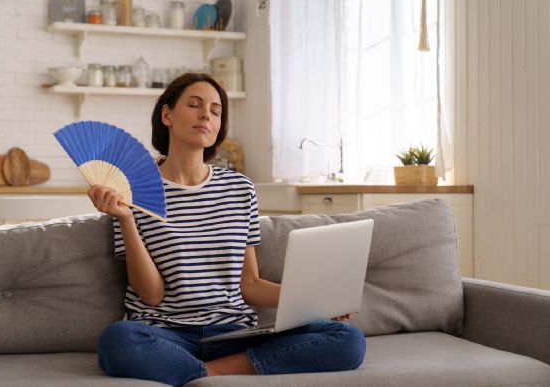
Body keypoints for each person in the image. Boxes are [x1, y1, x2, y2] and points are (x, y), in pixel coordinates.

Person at [87, 73, 365, 386]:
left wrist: (320, 300)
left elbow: (250, 283)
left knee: (348, 338)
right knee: (118, 340)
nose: (206, 114)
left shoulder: (239, 188)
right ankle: (218, 374)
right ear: (167, 114)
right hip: (166, 334)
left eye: (216, 111)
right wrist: (125, 218)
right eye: (194, 105)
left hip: (234, 334)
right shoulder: (132, 190)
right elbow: (151, 295)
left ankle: (208, 375)